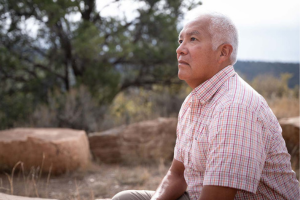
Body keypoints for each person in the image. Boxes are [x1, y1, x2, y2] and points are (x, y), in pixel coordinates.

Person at [112, 12, 300, 200]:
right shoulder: (192, 102)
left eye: (193, 39)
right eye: (180, 41)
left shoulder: (235, 107)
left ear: (223, 52)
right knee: (125, 198)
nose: (180, 50)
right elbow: (177, 174)